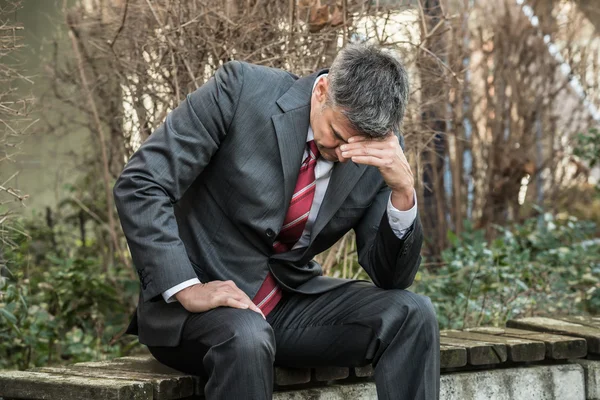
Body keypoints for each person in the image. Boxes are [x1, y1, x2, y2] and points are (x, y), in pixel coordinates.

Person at [113, 43, 440, 400]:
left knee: (413, 313)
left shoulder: (379, 155)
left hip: (287, 305)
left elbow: (391, 276)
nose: (345, 155)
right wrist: (187, 287)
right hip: (201, 311)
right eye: (339, 137)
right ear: (321, 91)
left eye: (358, 148)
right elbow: (142, 183)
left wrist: (403, 192)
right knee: (246, 336)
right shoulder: (241, 90)